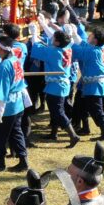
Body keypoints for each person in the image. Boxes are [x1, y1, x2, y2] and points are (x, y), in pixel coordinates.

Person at [29, 16, 79, 147]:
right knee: (55, 110)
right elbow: (54, 40)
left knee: (58, 111)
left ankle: (73, 136)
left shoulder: (53, 52)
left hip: (56, 86)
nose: (51, 38)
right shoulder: (66, 47)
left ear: (57, 42)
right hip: (61, 84)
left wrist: (34, 34)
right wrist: (44, 24)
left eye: (53, 38)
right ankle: (54, 133)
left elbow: (36, 49)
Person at [0, 35, 28, 172]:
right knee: (16, 132)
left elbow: (1, 90)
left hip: (7, 107)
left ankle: (0, 162)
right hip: (17, 104)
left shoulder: (4, 66)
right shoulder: (16, 59)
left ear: (0, 48)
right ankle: (23, 160)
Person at [72, 27, 104, 140]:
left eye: (91, 35)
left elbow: (77, 51)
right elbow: (84, 44)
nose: (88, 35)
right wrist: (75, 34)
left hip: (93, 87)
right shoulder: (101, 47)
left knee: (96, 110)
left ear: (95, 40)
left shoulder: (91, 51)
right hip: (101, 85)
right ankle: (96, 130)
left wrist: (68, 40)